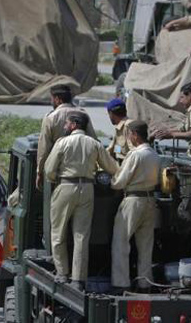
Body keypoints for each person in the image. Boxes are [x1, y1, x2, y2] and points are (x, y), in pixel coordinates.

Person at [44, 112, 119, 290]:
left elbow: (49, 170)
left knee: (58, 233)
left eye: (67, 123)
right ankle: (78, 279)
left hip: (66, 186)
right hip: (87, 189)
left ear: (74, 125)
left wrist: (57, 178)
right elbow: (112, 167)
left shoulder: (62, 143)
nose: (64, 126)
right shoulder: (95, 144)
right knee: (81, 236)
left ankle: (62, 273)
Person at [110, 121, 160, 292]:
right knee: (146, 245)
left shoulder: (135, 155)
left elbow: (120, 181)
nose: (128, 137)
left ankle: (121, 282)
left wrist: (111, 180)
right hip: (150, 200)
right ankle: (145, 283)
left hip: (133, 200)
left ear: (135, 135)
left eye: (129, 134)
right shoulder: (154, 154)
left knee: (121, 241)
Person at [36, 85, 97, 189]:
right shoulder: (82, 114)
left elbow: (44, 148)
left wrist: (39, 171)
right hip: (83, 173)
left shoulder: (51, 118)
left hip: (59, 174)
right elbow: (93, 141)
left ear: (57, 99)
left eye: (52, 98)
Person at [153, 82, 191, 155]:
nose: (180, 101)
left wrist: (171, 134)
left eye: (182, 97)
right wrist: (164, 131)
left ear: (190, 96)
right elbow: (182, 128)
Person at [106, 98, 135, 162]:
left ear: (111, 114)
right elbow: (112, 149)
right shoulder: (119, 128)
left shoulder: (128, 126)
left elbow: (135, 153)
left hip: (127, 166)